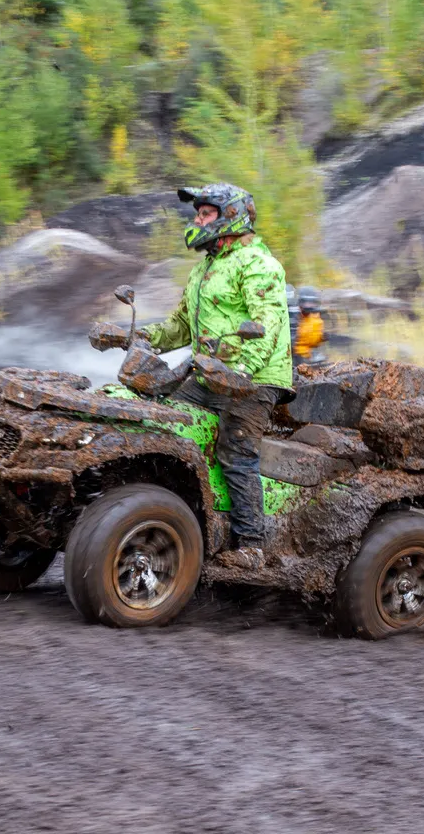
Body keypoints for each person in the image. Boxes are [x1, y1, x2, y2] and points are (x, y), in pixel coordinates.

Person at [140, 183, 292, 569]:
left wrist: (241, 369)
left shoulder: (258, 264)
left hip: (255, 378)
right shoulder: (205, 268)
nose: (196, 220)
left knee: (236, 449)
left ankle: (252, 545)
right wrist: (139, 337)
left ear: (230, 216)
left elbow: (267, 325)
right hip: (209, 373)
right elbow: (179, 327)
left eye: (204, 213)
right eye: (198, 214)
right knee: (164, 424)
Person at [292, 285, 325, 366]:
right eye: (306, 302)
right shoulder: (294, 316)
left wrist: (322, 337)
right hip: (294, 357)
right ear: (300, 302)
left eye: (311, 303)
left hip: (309, 356)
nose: (308, 305)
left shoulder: (316, 318)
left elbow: (314, 342)